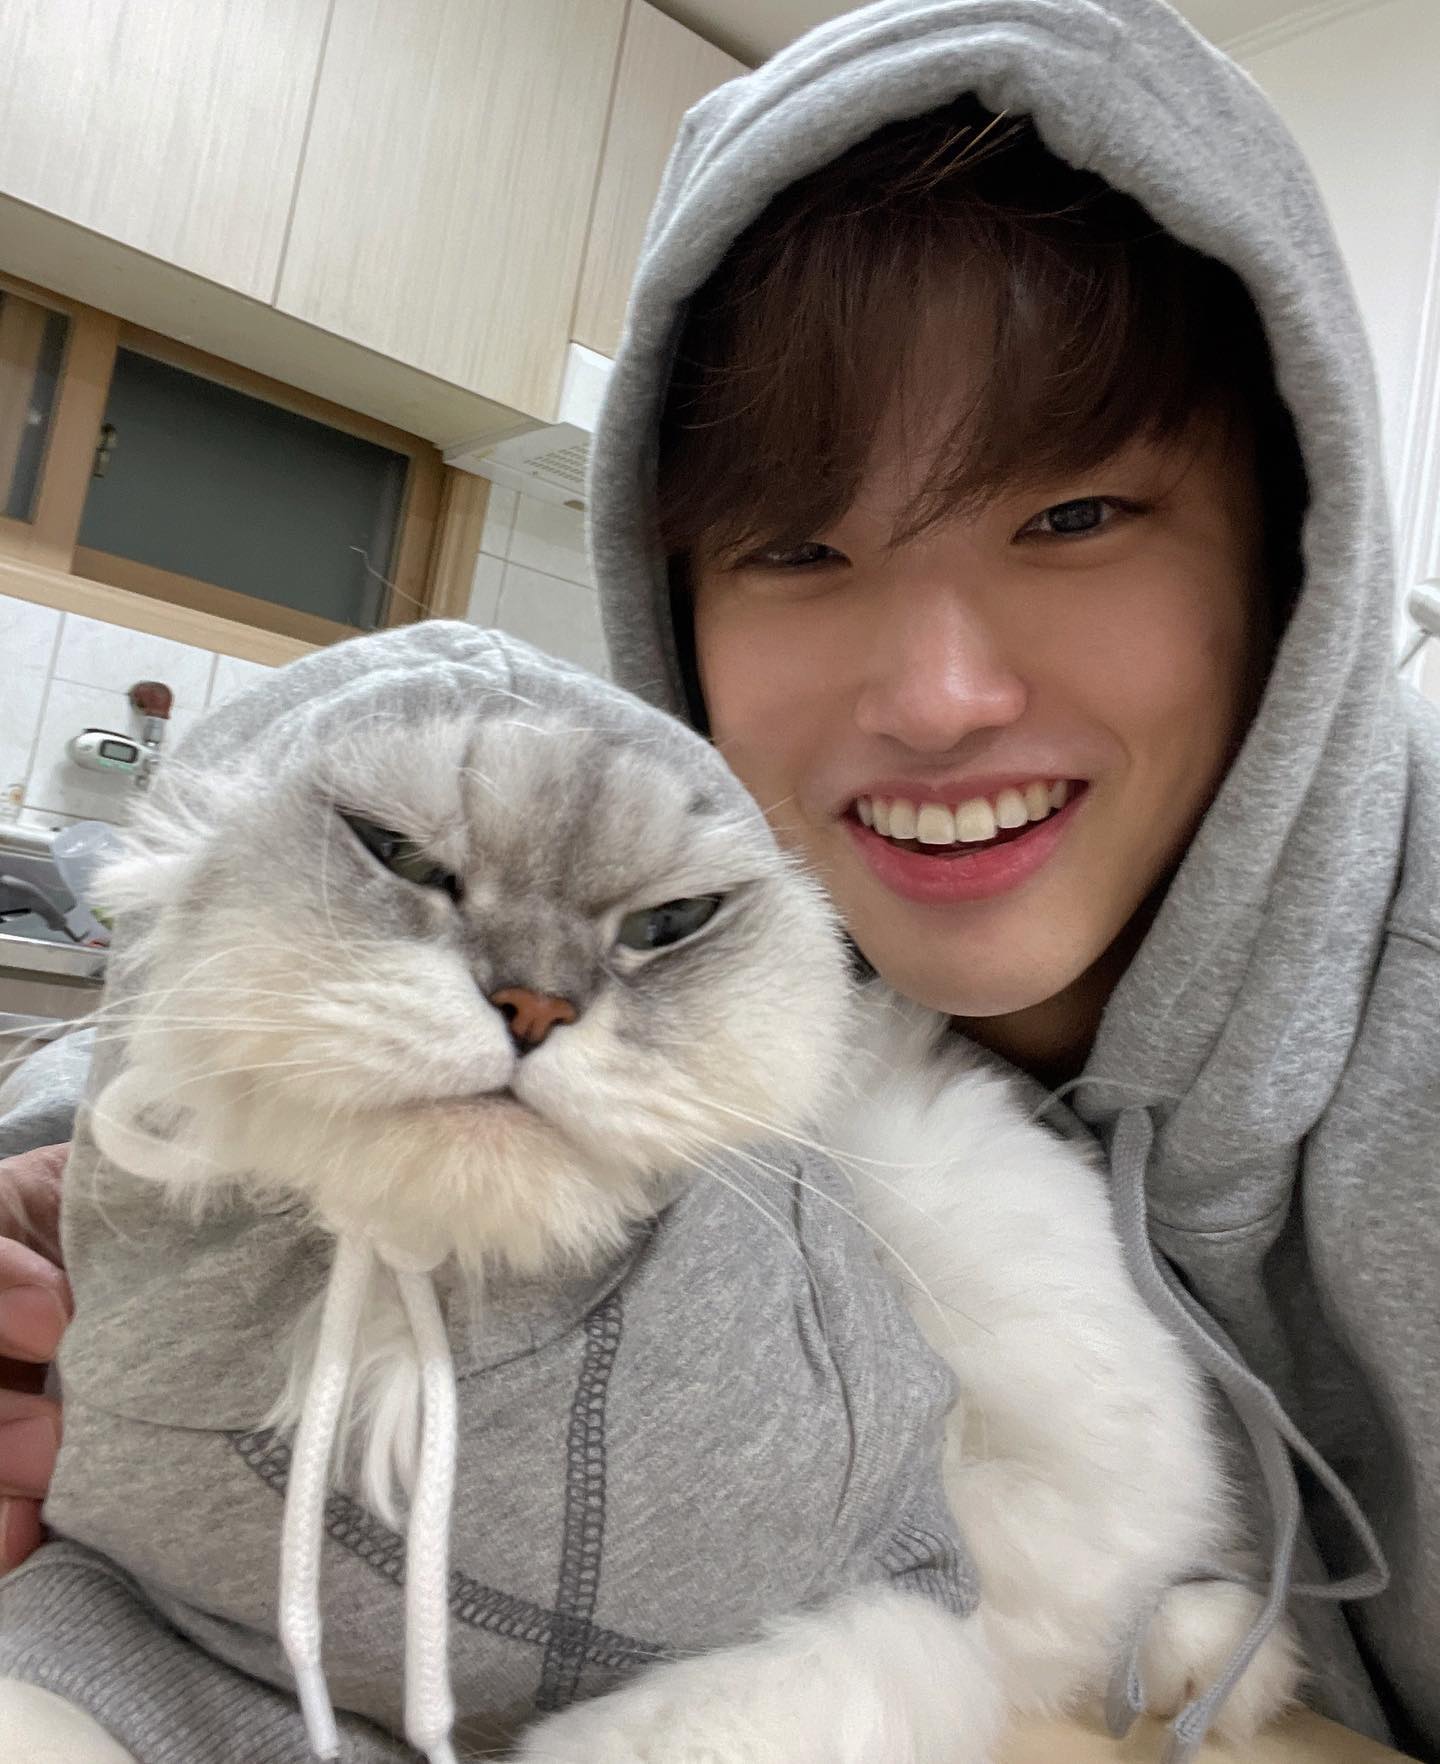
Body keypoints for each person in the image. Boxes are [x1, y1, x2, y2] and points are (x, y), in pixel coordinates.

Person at [2, 0, 1438, 1756]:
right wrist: (63, 1186)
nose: (936, 699)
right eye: (796, 549)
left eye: (1073, 519)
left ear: (1297, 554)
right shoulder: (754, 929)